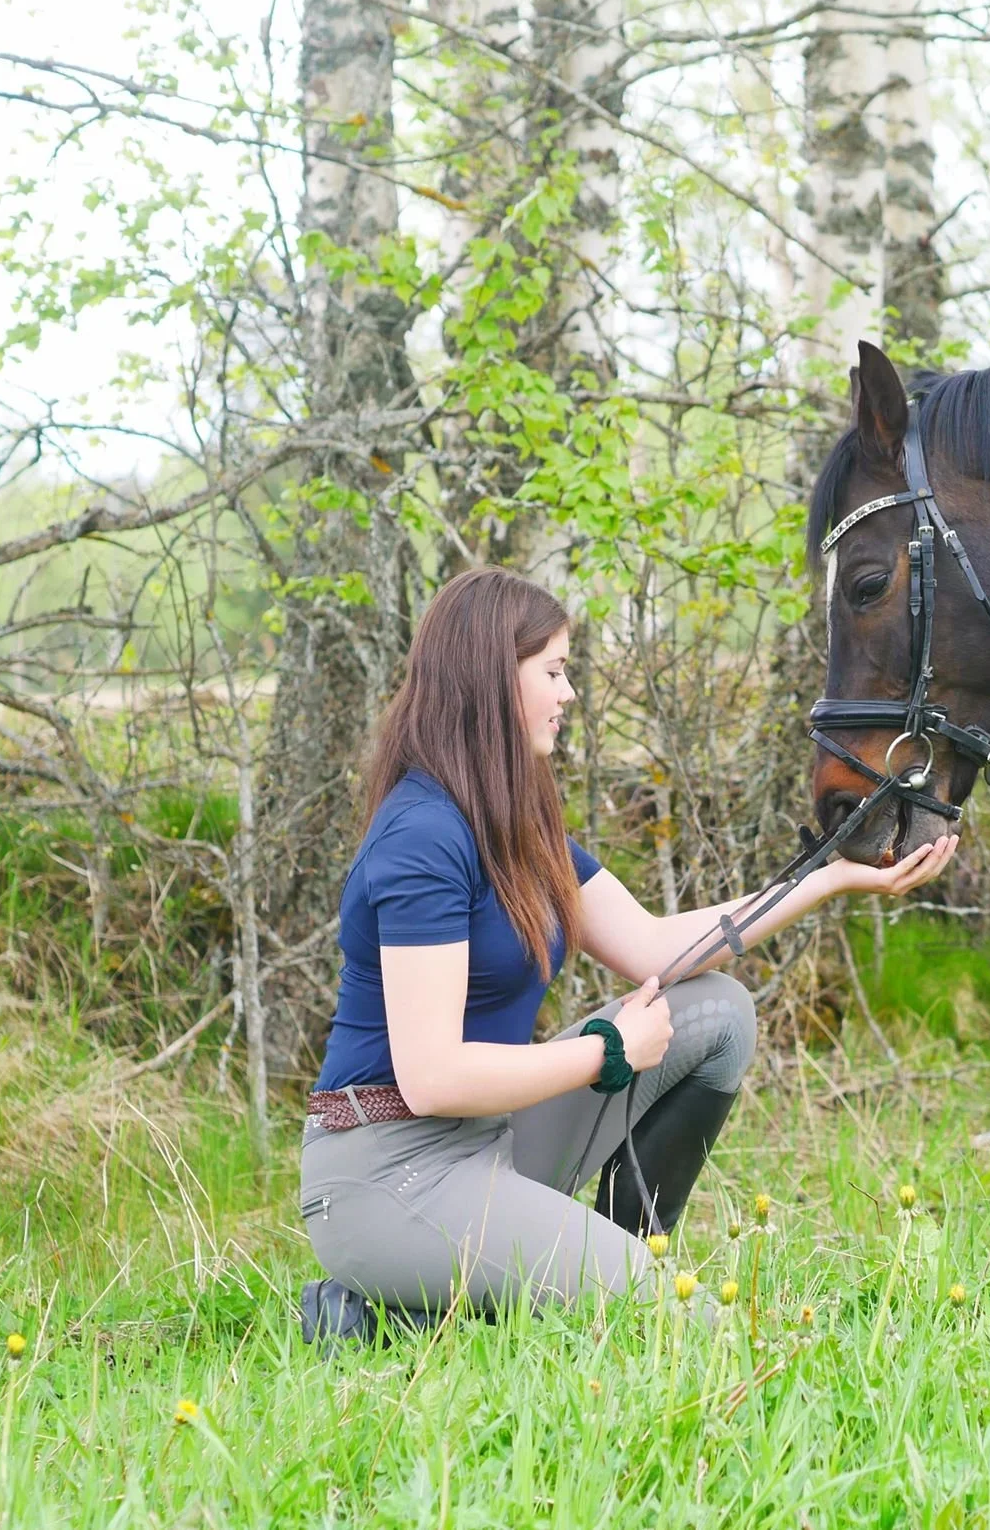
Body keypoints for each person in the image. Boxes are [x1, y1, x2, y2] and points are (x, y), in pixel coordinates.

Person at [297, 567, 954, 1347]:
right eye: (553, 671)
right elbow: (433, 1077)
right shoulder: (422, 838)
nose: (569, 692)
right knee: (685, 1326)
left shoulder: (513, 823)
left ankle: (590, 1265)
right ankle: (431, 1292)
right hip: (390, 1172)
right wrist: (602, 1051)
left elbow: (653, 946)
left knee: (716, 1012)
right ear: (488, 679)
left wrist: (830, 877)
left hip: (489, 1144)